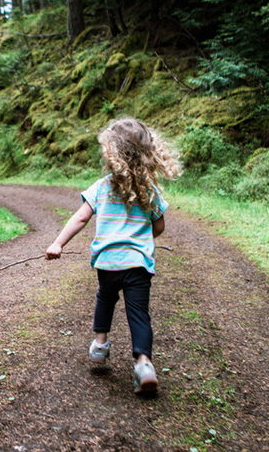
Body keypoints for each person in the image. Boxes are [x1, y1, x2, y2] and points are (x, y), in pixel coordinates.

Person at [45, 117, 182, 395]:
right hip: (138, 264)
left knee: (106, 297)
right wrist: (140, 239)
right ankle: (144, 364)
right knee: (139, 313)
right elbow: (159, 226)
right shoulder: (150, 190)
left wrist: (57, 244)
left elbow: (81, 218)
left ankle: (100, 345)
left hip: (108, 263)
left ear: (112, 153)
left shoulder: (101, 187)